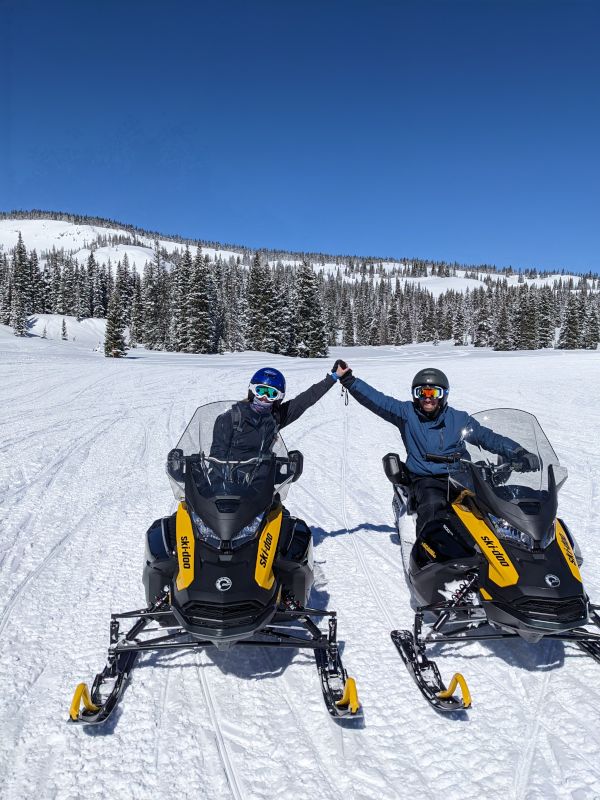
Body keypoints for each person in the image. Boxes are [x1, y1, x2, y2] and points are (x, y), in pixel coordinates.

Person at [335, 363, 540, 537]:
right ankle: (429, 552)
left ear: (443, 395)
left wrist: (517, 451)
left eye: (434, 392)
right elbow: (377, 400)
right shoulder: (407, 414)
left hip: (461, 476)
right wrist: (350, 381)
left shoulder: (459, 418)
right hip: (426, 478)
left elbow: (487, 437)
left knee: (495, 504)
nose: (428, 398)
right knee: (433, 506)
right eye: (421, 392)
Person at [210, 366, 336, 461]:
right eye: (260, 391)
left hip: (261, 484)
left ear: (278, 397)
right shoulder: (230, 418)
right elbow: (216, 457)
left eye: (271, 394)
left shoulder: (275, 417)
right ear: (252, 391)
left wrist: (334, 377)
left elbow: (304, 400)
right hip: (230, 485)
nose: (264, 397)